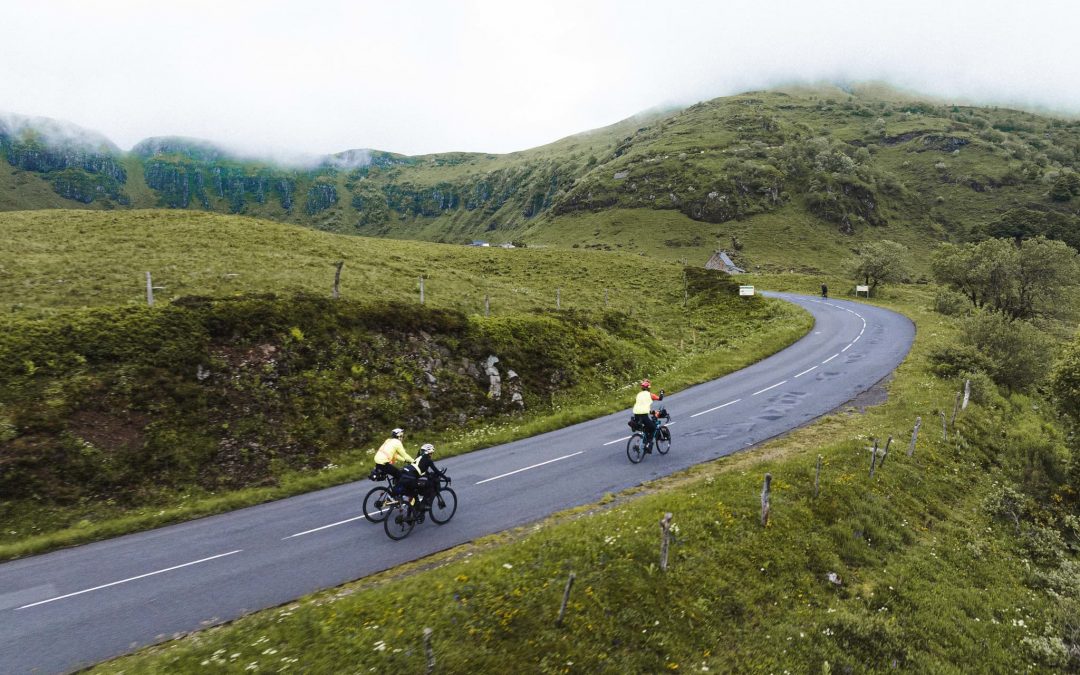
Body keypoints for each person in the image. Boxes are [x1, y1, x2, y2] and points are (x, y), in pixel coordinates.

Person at [633, 379, 664, 449]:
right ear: (649, 388)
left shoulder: (638, 395)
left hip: (636, 414)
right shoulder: (650, 395)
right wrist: (662, 392)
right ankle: (648, 444)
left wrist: (652, 412)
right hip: (643, 415)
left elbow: (642, 406)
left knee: (645, 428)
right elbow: (660, 398)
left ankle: (641, 441)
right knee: (653, 428)